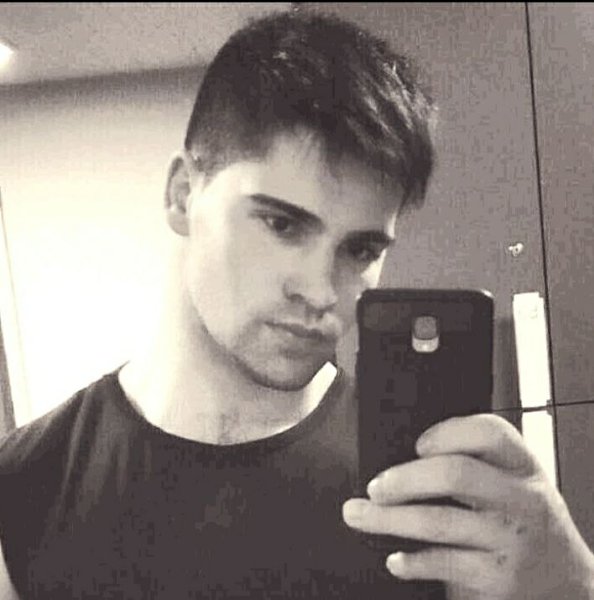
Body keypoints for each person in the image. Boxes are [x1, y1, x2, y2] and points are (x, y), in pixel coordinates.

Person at [0, 8, 593, 600]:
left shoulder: (430, 486)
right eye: (282, 225)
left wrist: (572, 584)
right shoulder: (24, 486)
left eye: (361, 250)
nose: (322, 291)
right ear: (183, 196)